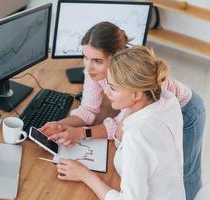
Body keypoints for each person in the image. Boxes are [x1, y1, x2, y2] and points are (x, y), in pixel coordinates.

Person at [39, 22, 205, 200]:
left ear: (115, 58)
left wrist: (84, 169)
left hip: (187, 110)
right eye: (85, 57)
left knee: (186, 174)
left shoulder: (144, 96)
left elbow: (121, 129)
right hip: (153, 125)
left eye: (97, 61)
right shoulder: (149, 99)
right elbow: (92, 111)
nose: (88, 67)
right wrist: (60, 125)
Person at [56, 46, 186, 199]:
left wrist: (85, 175)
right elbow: (120, 132)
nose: (106, 92)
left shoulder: (137, 136)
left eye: (112, 88)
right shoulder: (165, 99)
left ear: (137, 94)